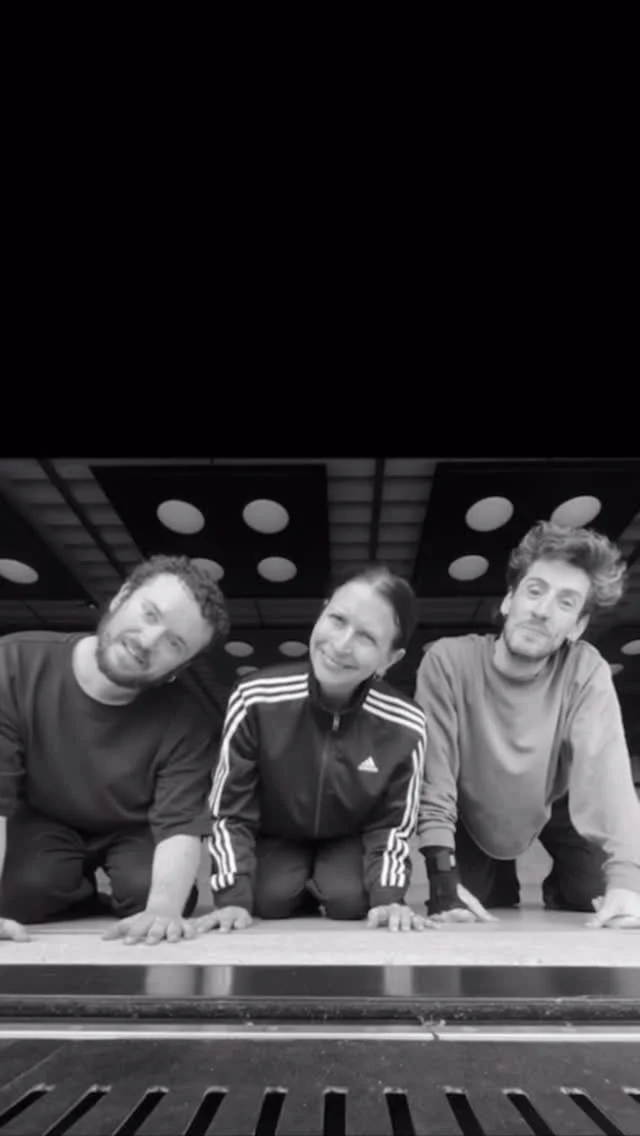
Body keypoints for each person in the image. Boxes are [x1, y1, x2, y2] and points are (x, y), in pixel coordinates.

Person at [414, 521, 640, 930]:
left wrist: (628, 879)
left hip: (553, 798)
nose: (542, 610)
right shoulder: (448, 661)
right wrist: (441, 872)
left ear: (577, 627)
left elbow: (607, 770)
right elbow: (435, 774)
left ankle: (559, 887)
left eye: (566, 602)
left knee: (591, 894)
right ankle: (499, 877)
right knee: (475, 902)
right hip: (472, 808)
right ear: (508, 600)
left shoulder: (585, 669)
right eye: (535, 591)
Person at [0, 554, 230, 946]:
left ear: (181, 666)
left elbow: (179, 824)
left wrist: (163, 910)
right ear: (122, 597)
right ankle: (79, 895)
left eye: (175, 644)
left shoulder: (190, 719)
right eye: (150, 614)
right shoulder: (13, 662)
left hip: (136, 826)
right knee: (21, 893)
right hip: (42, 814)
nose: (148, 641)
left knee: (154, 895)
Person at [196, 564, 435, 935]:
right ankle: (298, 887)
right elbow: (230, 811)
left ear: (390, 659)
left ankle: (325, 884)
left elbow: (392, 825)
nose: (341, 645)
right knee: (267, 900)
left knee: (352, 901)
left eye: (367, 637)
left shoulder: (406, 724)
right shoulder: (255, 698)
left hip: (349, 837)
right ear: (322, 611)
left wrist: (390, 897)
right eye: (337, 619)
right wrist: (232, 898)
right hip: (275, 834)